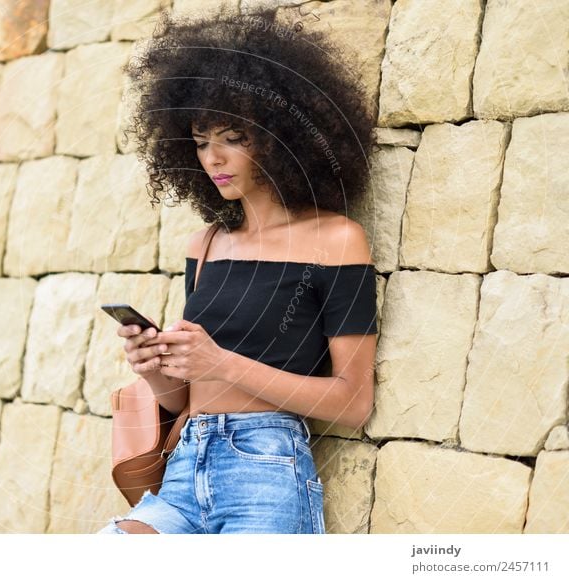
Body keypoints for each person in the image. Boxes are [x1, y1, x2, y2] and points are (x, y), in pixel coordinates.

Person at [97, 6, 378, 534]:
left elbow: (353, 402)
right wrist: (154, 365)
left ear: (279, 135)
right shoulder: (205, 246)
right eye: (201, 142)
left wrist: (220, 361)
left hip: (264, 471)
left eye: (232, 137)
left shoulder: (337, 241)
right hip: (182, 473)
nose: (212, 158)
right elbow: (182, 398)